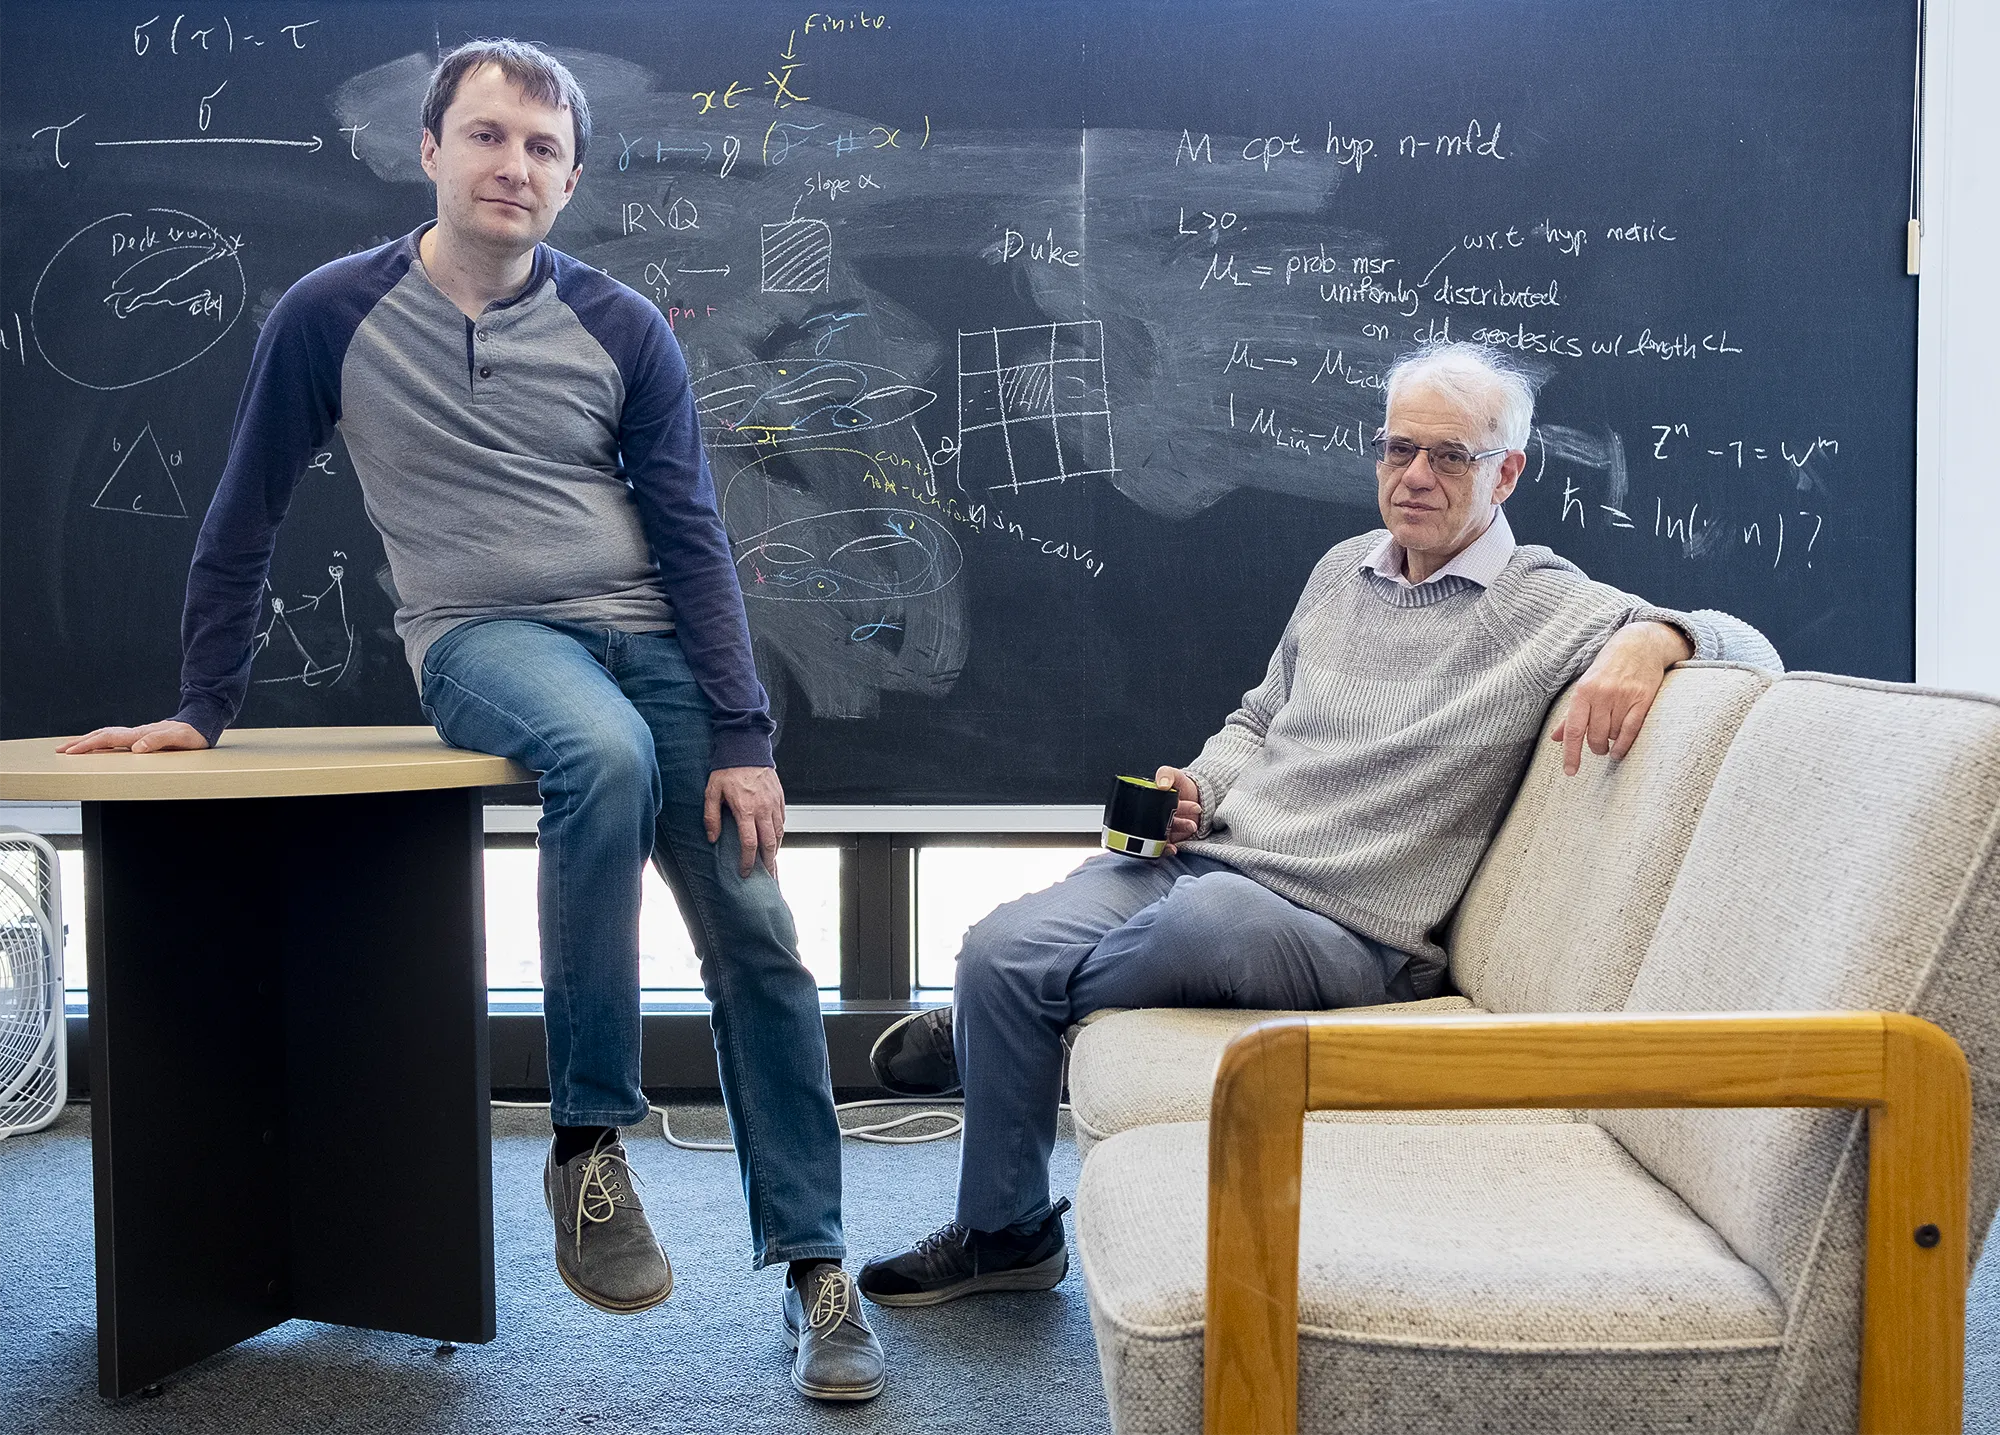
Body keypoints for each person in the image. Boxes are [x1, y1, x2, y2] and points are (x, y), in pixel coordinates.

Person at [55, 40, 885, 1403]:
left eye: (544, 148)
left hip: (656, 638)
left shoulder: (620, 325)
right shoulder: (332, 312)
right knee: (598, 758)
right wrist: (204, 706)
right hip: (485, 638)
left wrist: (743, 732)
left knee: (758, 932)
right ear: (429, 151)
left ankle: (818, 1270)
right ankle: (589, 1144)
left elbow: (690, 532)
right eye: (489, 138)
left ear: (572, 176)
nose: (515, 166)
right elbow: (246, 510)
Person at [857, 342, 1781, 1307]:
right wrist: (1200, 790)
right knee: (995, 946)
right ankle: (1005, 1234)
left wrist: (1657, 636)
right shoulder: (1342, 569)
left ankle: (986, 1036)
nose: (1415, 476)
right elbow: (1259, 718)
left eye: (1451, 456)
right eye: (1398, 448)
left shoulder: (1547, 602)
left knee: (1193, 928)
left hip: (1351, 926)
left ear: (1507, 472)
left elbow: (1754, 654)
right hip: (1213, 858)